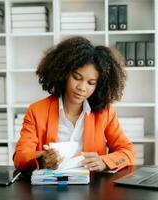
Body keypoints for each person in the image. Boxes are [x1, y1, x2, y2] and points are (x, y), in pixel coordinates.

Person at [13, 36, 135, 172]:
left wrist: (104, 162)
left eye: (91, 83)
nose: (82, 88)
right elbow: (20, 157)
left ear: (99, 85)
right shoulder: (36, 111)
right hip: (49, 189)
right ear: (64, 74)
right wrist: (41, 158)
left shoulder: (105, 113)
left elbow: (128, 151)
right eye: (77, 78)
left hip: (92, 188)